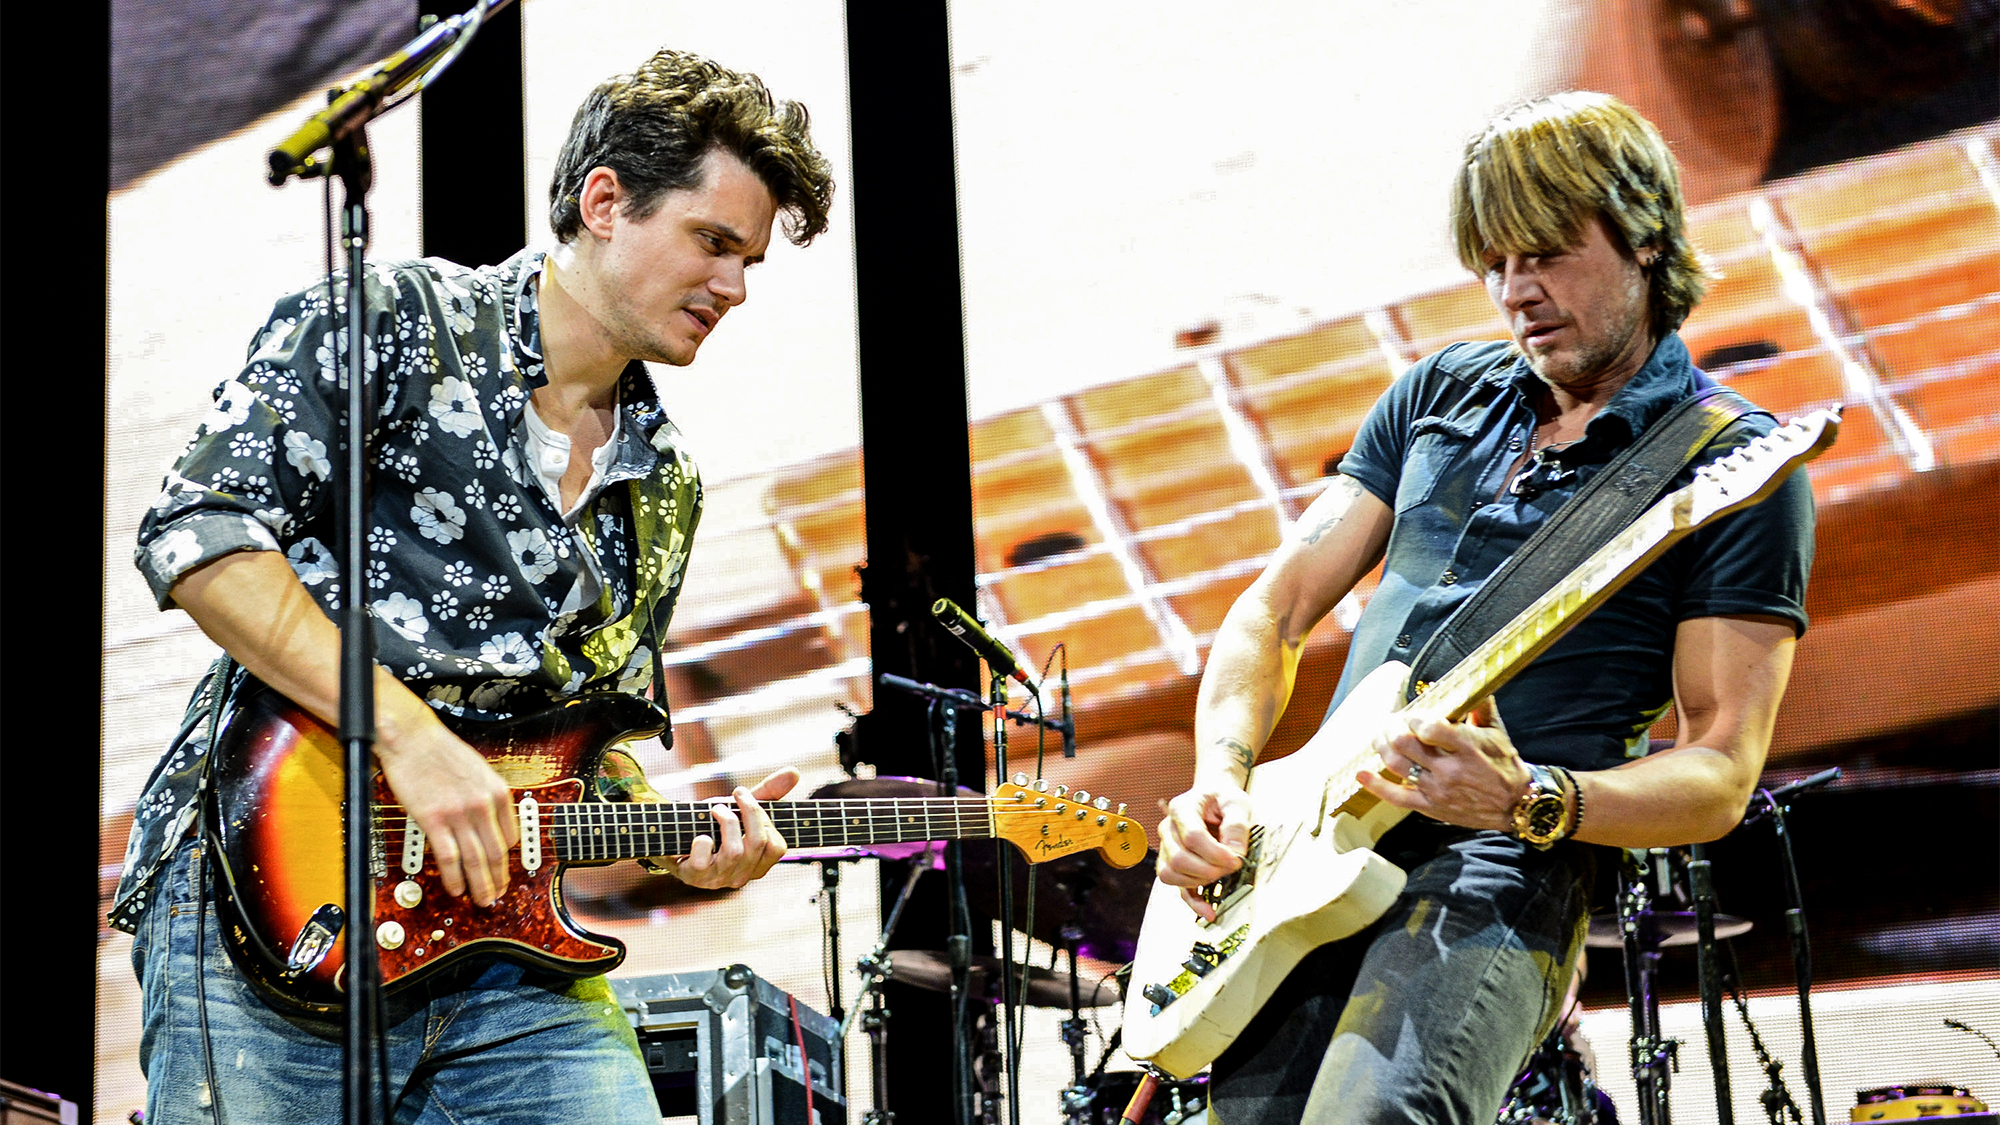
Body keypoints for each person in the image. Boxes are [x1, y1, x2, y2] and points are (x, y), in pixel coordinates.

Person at [111, 48, 836, 1125]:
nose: (731, 287)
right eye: (712, 242)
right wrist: (409, 740)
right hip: (268, 904)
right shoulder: (397, 321)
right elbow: (199, 533)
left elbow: (588, 752)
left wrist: (685, 848)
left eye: (749, 263)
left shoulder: (665, 480)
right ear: (604, 202)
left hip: (506, 960)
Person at [1155, 91, 1814, 1123]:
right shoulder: (1435, 394)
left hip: (1496, 874)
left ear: (1642, 238)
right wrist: (1218, 782)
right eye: (1494, 264)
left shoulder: (1725, 462)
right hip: (1293, 861)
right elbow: (1272, 611)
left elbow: (1720, 772)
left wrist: (1528, 800)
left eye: (1545, 254)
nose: (1516, 292)